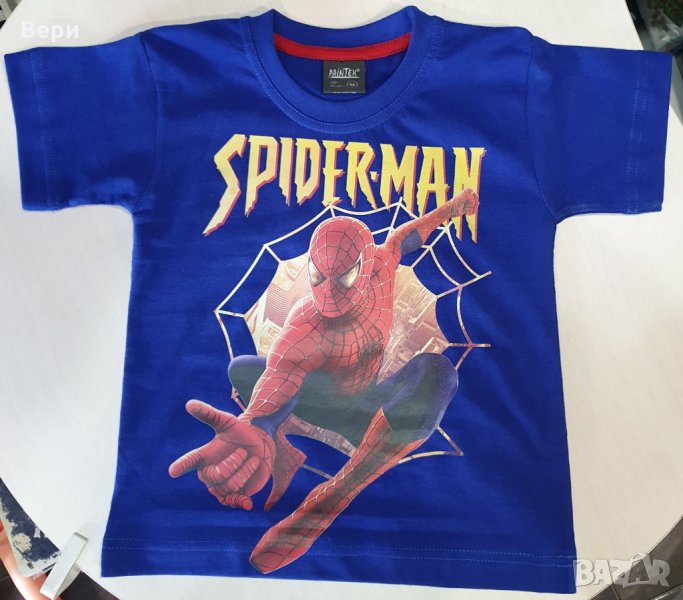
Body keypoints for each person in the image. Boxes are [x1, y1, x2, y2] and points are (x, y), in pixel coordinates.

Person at [169, 188, 480, 573]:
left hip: (370, 410)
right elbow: (281, 370)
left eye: (343, 278)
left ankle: (332, 496)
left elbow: (403, 238)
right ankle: (280, 445)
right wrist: (256, 424)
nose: (328, 292)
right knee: (242, 369)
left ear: (364, 267)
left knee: (438, 372)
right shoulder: (306, 322)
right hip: (324, 402)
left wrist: (450, 209)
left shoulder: (382, 264)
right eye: (318, 276)